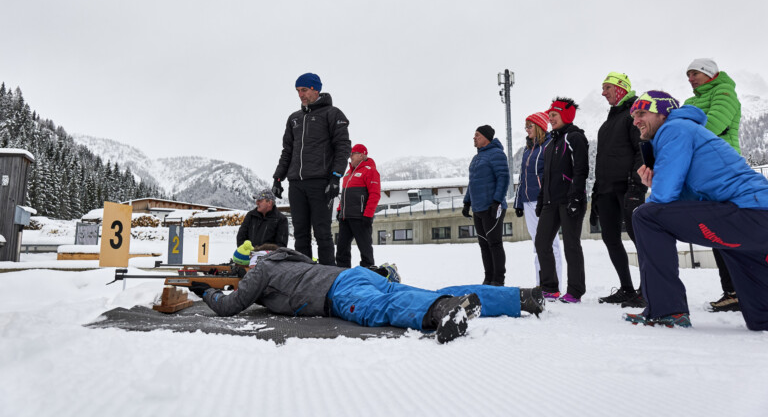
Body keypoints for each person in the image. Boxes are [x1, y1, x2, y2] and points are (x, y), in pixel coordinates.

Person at [625, 91, 768, 330]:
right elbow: (690, 200)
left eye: (642, 113)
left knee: (646, 216)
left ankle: (667, 310)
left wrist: (657, 187)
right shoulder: (687, 130)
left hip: (747, 212)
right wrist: (656, 182)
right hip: (754, 218)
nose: (635, 121)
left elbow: (664, 197)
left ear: (663, 113)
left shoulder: (674, 129)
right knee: (761, 319)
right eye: (633, 116)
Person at [193, 247, 546, 344]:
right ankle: (520, 298)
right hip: (354, 275)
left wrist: (206, 292)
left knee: (382, 308)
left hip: (338, 292)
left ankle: (444, 310)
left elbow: (230, 307)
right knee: (424, 292)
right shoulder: (284, 257)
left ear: (247, 265)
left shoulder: (259, 271)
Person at [272, 73, 351, 266]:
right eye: (298, 91)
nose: (300, 94)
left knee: (322, 232)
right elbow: (287, 151)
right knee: (300, 234)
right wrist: (278, 178)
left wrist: (336, 177)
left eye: (304, 90)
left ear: (316, 89)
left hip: (320, 183)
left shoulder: (333, 114)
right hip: (296, 184)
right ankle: (303, 273)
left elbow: (342, 147)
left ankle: (327, 275)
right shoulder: (294, 119)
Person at [683, 58, 742, 312]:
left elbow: (715, 124)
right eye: (688, 75)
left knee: (731, 232)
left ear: (709, 74)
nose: (690, 79)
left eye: (695, 73)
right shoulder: (690, 101)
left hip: (725, 170)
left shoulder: (725, 91)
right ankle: (732, 291)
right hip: (703, 174)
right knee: (716, 233)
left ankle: (743, 290)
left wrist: (684, 133)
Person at [591, 72, 647, 308]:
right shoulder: (607, 123)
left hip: (627, 188)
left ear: (621, 88)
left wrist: (636, 185)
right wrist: (596, 194)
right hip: (606, 190)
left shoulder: (633, 115)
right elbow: (602, 160)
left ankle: (647, 290)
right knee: (610, 238)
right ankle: (626, 288)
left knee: (639, 238)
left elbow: (641, 150)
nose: (603, 92)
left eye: (607, 88)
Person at [534, 98, 589, 303]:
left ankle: (575, 291)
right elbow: (546, 176)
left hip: (570, 200)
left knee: (571, 245)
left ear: (566, 115)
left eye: (554, 115)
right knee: (541, 242)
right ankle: (550, 287)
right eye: (549, 115)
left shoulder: (574, 138)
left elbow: (581, 169)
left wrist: (576, 197)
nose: (550, 118)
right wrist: (542, 200)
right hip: (551, 202)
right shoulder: (551, 143)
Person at [513, 111, 563, 291]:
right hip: (528, 202)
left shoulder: (549, 145)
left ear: (540, 127)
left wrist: (550, 198)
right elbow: (523, 178)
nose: (527, 130)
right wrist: (519, 202)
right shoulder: (528, 149)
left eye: (530, 126)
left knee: (551, 244)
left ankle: (555, 284)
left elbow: (554, 174)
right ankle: (540, 284)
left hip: (544, 201)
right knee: (537, 245)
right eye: (525, 127)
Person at [462, 125, 510, 286]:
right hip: (478, 208)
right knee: (484, 245)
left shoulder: (497, 154)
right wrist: (467, 202)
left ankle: (498, 279)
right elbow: (473, 182)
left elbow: (503, 178)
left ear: (486, 137)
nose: (474, 138)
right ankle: (488, 278)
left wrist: (497, 201)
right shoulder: (477, 158)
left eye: (477, 135)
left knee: (494, 243)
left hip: (492, 207)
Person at [336, 143, 381, 268]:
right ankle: (343, 273)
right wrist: (340, 210)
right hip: (345, 218)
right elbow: (344, 194)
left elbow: (375, 195)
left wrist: (368, 215)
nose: (350, 156)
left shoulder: (370, 171)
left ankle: (367, 273)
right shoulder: (348, 173)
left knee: (365, 249)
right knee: (341, 250)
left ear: (362, 155)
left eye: (353, 154)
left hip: (360, 218)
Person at [232, 188, 290, 266]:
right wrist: (246, 253)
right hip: (248, 259)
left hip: (269, 262)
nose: (257, 203)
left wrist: (261, 255)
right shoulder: (251, 215)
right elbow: (241, 237)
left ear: (269, 203)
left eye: (260, 200)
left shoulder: (281, 219)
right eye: (257, 200)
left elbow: (281, 246)